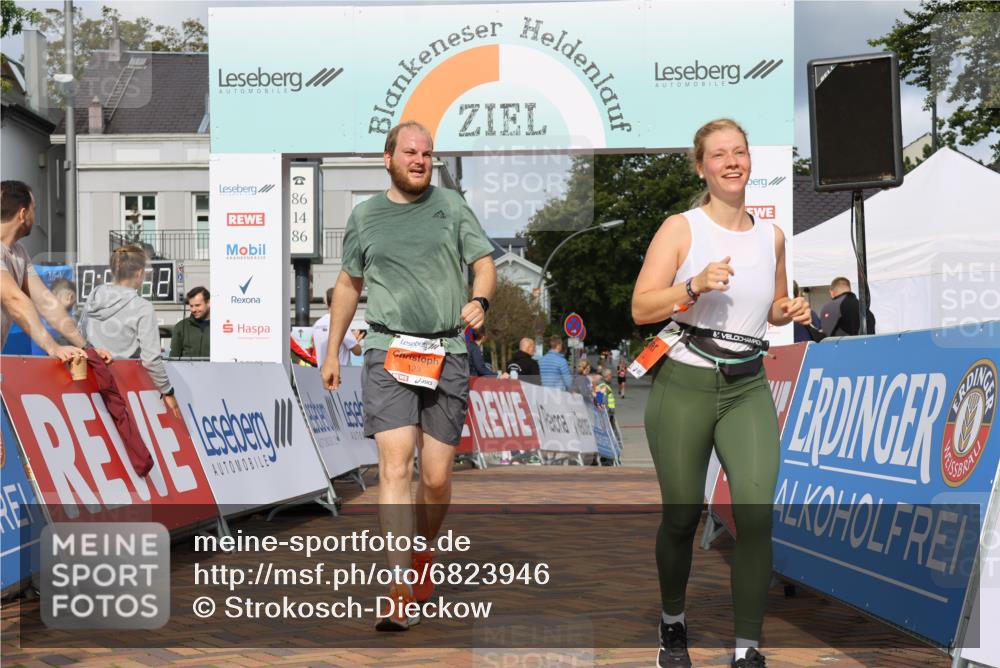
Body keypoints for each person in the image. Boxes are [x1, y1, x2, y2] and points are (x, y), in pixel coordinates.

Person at [631, 118, 813, 668]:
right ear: (701, 166)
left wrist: (790, 310)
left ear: (749, 160)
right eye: (719, 155)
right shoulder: (680, 229)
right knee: (682, 517)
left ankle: (747, 648)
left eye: (740, 152)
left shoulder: (772, 236)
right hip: (683, 384)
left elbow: (774, 306)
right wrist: (693, 285)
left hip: (747, 387)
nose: (732, 162)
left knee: (756, 516)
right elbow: (641, 308)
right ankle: (672, 623)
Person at [319, 121, 496, 632]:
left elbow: (484, 264)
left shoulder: (451, 207)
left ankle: (423, 552)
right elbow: (349, 284)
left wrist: (480, 299)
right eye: (410, 152)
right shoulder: (365, 217)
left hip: (447, 350)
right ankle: (398, 587)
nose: (420, 159)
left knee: (436, 478)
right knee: (394, 470)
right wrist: (332, 350)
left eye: (427, 153)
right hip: (388, 349)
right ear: (388, 157)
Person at [1, 181, 109, 362]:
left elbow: (46, 302)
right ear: (23, 214)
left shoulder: (19, 253)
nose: (35, 216)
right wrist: (53, 347)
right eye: (33, 209)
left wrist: (87, 348)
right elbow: (14, 300)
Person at [79, 245, 181, 419]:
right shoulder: (143, 307)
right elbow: (151, 360)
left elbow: (80, 334)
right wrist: (168, 391)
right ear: (140, 273)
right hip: (123, 385)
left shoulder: (94, 295)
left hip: (89, 381)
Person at [312, 287, 362, 365]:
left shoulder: (317, 324)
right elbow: (358, 352)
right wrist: (355, 341)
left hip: (322, 373)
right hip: (340, 373)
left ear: (326, 302)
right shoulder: (340, 322)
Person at [169, 287, 211, 358]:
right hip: (186, 369)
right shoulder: (181, 327)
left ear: (209, 303)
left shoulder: (222, 327)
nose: (194, 309)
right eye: (191, 306)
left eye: (197, 305)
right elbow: (173, 358)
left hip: (214, 369)